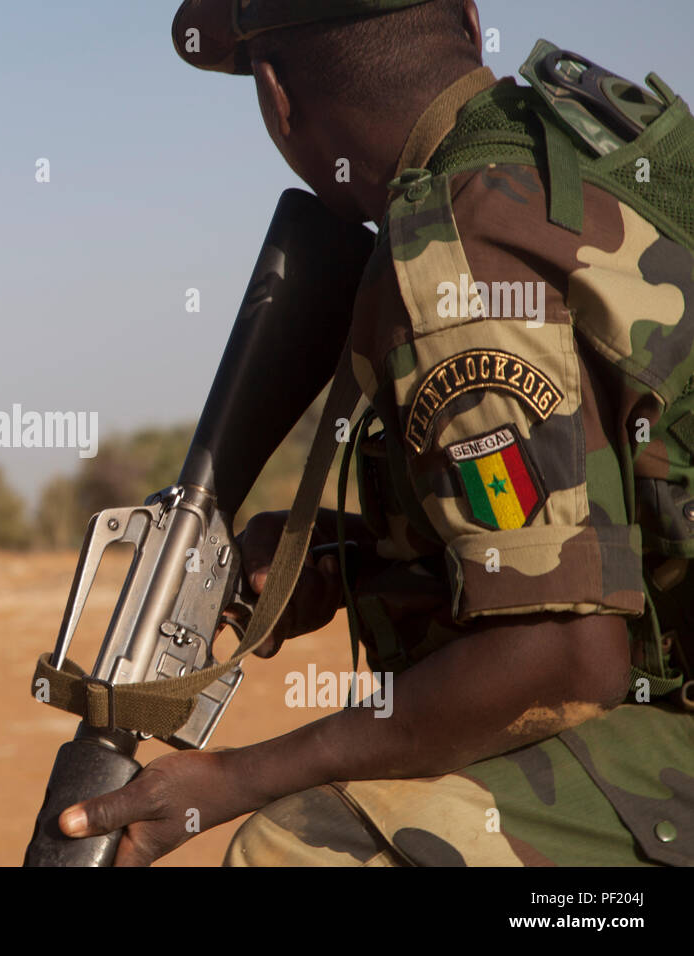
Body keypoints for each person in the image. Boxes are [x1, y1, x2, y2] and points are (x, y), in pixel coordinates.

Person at [57, 0, 694, 865]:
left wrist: (239, 779)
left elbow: (567, 655)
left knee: (307, 847)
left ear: (278, 96)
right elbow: (603, 519)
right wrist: (353, 558)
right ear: (469, 25)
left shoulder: (456, 256)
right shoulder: (575, 155)